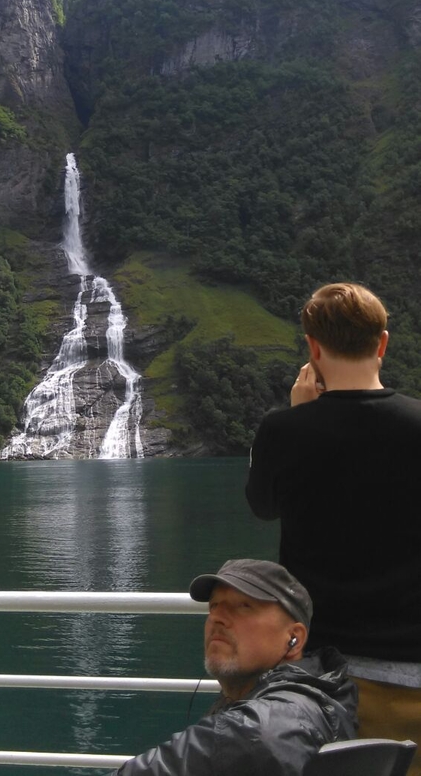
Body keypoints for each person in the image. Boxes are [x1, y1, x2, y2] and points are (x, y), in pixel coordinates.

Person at [246, 281, 421, 771]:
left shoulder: (282, 431)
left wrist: (301, 415)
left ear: (313, 347)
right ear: (382, 343)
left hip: (320, 676)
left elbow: (263, 505)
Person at [114, 558, 356, 776]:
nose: (217, 618)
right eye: (214, 606)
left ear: (293, 638)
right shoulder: (316, 694)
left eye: (244, 606)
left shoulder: (265, 726)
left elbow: (257, 736)